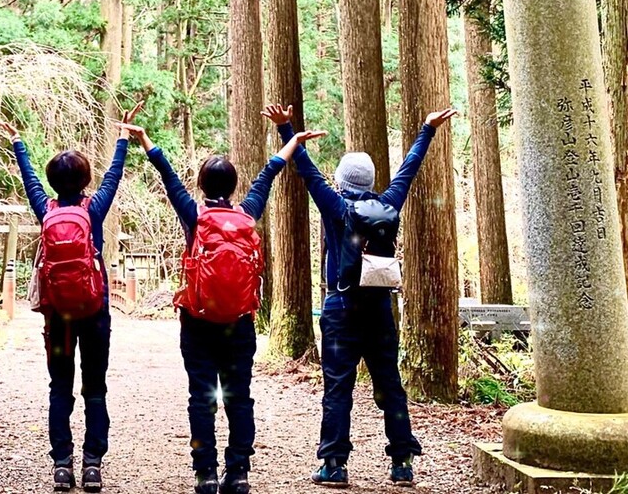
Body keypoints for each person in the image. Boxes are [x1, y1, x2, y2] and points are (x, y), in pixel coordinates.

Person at [119, 113, 325, 494]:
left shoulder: (194, 216)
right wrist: (293, 139)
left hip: (197, 319)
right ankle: (239, 471)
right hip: (239, 321)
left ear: (200, 185)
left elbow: (167, 176)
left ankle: (206, 473)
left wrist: (145, 138)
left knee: (202, 396)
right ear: (233, 187)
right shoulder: (246, 213)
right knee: (239, 396)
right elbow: (271, 171)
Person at [261, 103, 459, 490]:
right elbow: (409, 170)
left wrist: (287, 130)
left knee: (338, 387)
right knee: (389, 384)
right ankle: (402, 462)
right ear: (370, 181)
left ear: (342, 180)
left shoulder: (336, 206)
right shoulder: (388, 204)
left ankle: (334, 465)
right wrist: (426, 130)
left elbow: (306, 171)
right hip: (380, 308)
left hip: (340, 307)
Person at [8, 105, 138, 494]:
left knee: (60, 387)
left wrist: (18, 143)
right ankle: (93, 466)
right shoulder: (93, 209)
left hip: (57, 314)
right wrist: (122, 140)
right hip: (95, 309)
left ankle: (62, 466)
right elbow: (114, 177)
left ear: (53, 181)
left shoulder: (44, 208)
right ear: (85, 181)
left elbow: (29, 180)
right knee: (95, 387)